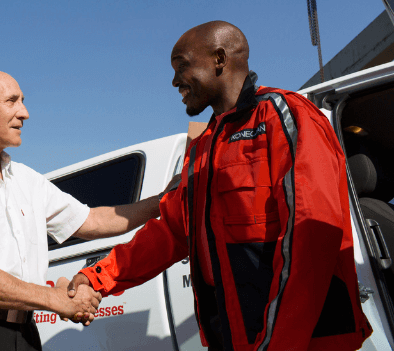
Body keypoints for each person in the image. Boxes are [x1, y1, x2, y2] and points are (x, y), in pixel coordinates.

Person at [67, 21, 373, 351]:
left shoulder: (284, 116)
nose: (174, 81)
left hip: (303, 341)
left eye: (181, 66)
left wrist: (278, 344)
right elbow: (172, 232)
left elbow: (310, 237)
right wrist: (95, 277)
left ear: (219, 59)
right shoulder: (202, 147)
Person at [0, 70, 169, 351]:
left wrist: (162, 201)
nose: (25, 113)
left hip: (25, 333)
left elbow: (92, 220)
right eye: (12, 101)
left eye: (23, 101)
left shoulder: (27, 180)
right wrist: (54, 298)